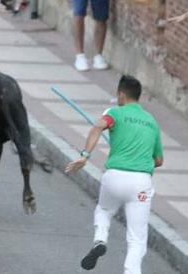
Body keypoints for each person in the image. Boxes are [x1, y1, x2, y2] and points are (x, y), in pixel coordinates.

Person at [65, 75, 163, 274]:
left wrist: (84, 156)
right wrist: (140, 157)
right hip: (141, 183)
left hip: (115, 176)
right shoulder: (152, 122)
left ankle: (100, 240)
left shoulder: (114, 113)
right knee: (137, 238)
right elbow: (159, 160)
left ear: (121, 94)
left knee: (104, 210)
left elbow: (97, 127)